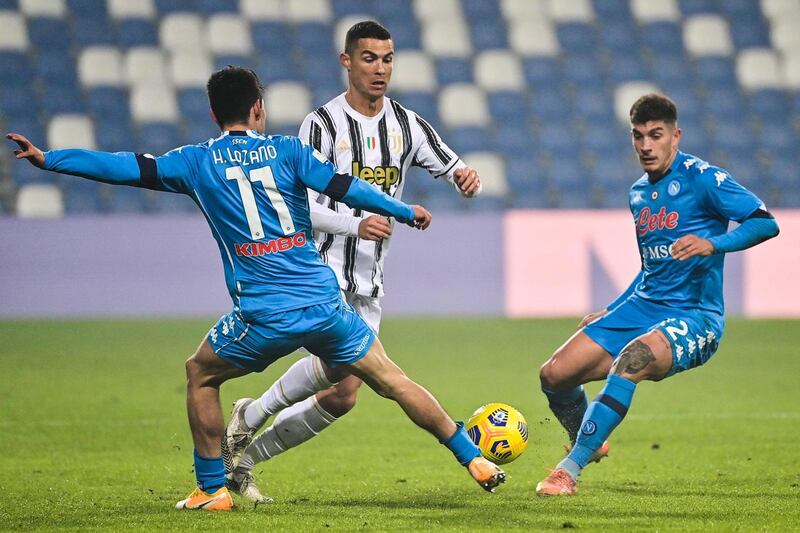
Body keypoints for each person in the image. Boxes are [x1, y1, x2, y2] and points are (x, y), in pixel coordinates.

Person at [7, 66, 504, 511]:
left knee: (200, 373)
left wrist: (51, 159)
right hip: (324, 301)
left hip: (263, 314)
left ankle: (211, 489)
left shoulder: (195, 162)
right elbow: (346, 188)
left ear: (212, 113)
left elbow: (124, 167)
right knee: (391, 379)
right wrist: (402, 210)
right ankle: (472, 458)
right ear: (258, 108)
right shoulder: (288, 150)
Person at [223, 21, 482, 501]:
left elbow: (452, 164)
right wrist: (354, 225)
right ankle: (251, 419)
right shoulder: (321, 125)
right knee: (358, 371)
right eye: (369, 58)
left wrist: (466, 177)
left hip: (369, 280)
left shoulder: (407, 124)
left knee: (342, 395)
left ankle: (245, 452)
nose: (380, 69)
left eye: (387, 59)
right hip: (322, 273)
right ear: (347, 61)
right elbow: (298, 207)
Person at [534, 93, 780, 496]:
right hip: (643, 304)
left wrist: (713, 243)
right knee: (554, 375)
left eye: (656, 135)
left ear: (675, 136)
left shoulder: (704, 179)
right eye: (638, 136)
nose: (646, 146)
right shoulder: (638, 193)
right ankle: (590, 440)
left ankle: (569, 469)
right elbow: (653, 266)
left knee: (632, 360)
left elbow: (765, 222)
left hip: (696, 315)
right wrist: (611, 309)